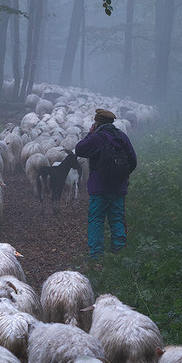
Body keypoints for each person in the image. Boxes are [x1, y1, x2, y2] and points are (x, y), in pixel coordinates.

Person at [75, 109, 137, 257]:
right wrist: (123, 176)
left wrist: (90, 133)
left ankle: (96, 255)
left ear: (97, 123)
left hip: (99, 187)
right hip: (118, 187)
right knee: (116, 218)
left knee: (96, 219)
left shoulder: (97, 138)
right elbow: (133, 160)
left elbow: (79, 149)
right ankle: (119, 251)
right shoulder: (122, 137)